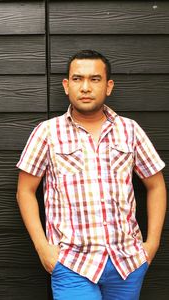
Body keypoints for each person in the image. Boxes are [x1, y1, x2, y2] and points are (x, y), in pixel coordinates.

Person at [16, 50, 166, 300]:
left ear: (108, 86)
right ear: (66, 85)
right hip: (72, 262)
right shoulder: (47, 133)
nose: (85, 87)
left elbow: (156, 186)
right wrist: (43, 248)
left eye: (95, 79)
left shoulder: (130, 130)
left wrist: (151, 245)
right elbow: (25, 191)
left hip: (127, 262)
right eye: (77, 79)